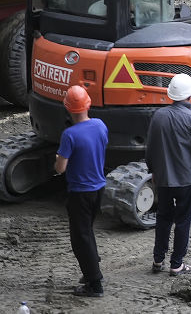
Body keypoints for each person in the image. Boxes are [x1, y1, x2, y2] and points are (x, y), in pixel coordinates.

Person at [145, 73, 191, 276]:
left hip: (164, 179)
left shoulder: (158, 116)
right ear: (190, 96)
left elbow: (150, 148)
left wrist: (153, 170)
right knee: (183, 221)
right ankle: (176, 264)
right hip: (186, 180)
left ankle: (158, 260)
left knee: (163, 218)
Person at [54, 85, 108, 298]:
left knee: (80, 238)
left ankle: (94, 284)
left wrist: (57, 159)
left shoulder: (69, 135)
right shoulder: (100, 125)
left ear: (68, 108)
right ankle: (92, 268)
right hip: (99, 188)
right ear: (88, 104)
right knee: (87, 231)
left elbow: (60, 168)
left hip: (80, 193)